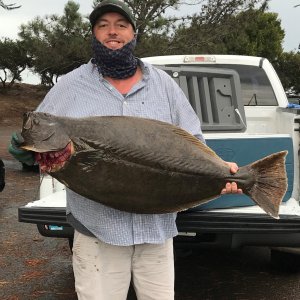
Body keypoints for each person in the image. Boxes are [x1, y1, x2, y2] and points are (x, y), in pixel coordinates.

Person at [8, 1, 242, 299]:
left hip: (156, 233)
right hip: (97, 233)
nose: (112, 32)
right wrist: (28, 151)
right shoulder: (69, 86)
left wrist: (219, 172)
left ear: (134, 33)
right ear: (93, 34)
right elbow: (41, 139)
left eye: (121, 24)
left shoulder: (164, 85)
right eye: (102, 25)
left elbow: (192, 140)